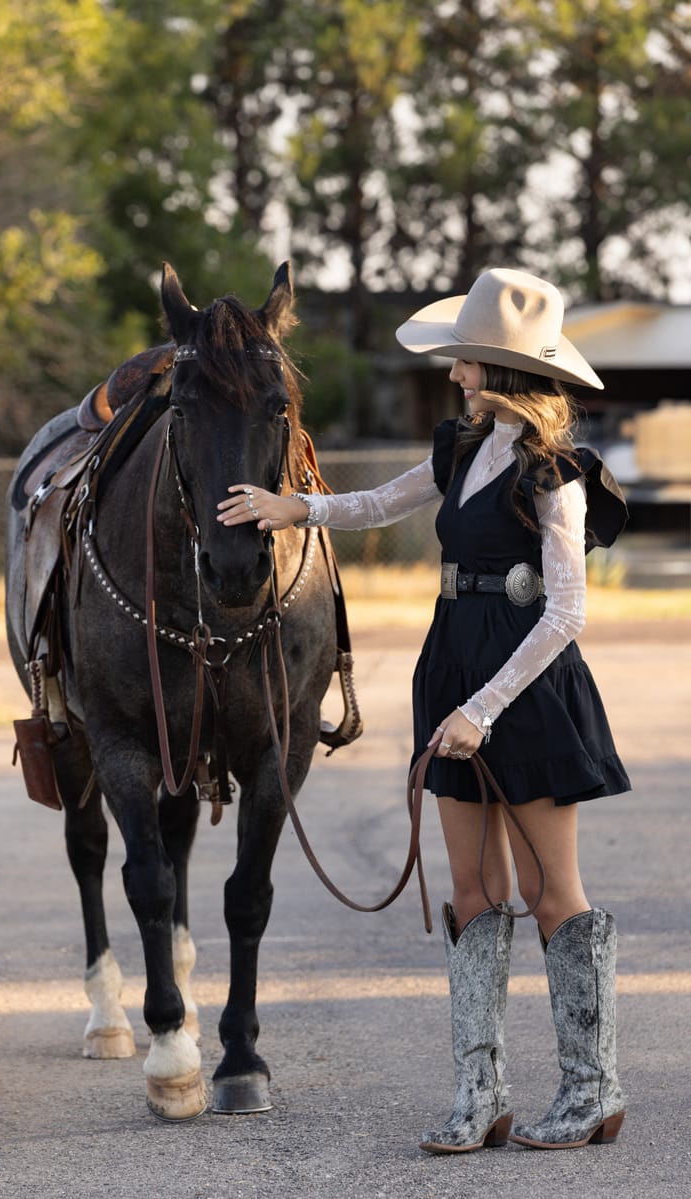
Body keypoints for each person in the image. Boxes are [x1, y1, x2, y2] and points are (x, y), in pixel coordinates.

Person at [217, 267, 631, 1154]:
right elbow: (377, 503)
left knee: (550, 892)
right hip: (451, 669)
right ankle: (481, 1094)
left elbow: (567, 612)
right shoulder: (460, 447)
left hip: (523, 687)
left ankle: (592, 1088)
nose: (453, 375)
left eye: (466, 362)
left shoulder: (556, 473)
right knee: (472, 891)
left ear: (499, 367)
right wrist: (292, 506)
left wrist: (482, 709)